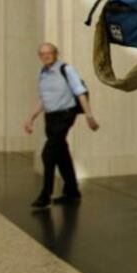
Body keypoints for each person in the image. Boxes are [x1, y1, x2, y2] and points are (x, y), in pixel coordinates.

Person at [24, 43, 99, 209]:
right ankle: (72, 191)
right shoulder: (42, 73)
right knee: (61, 153)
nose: (46, 56)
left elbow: (80, 92)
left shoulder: (66, 69)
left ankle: (46, 195)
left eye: (49, 53)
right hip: (50, 117)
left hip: (65, 115)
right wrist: (31, 118)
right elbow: (43, 100)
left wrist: (89, 116)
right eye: (42, 54)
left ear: (56, 53)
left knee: (48, 154)